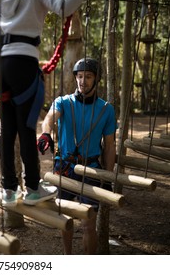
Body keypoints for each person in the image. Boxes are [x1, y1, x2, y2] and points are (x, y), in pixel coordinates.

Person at [0, 0, 87, 207]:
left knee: (7, 128)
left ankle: (8, 190)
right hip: (22, 60)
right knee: (26, 127)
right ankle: (32, 188)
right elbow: (63, 6)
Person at [39, 57, 117, 254]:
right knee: (65, 220)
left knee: (89, 225)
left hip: (92, 170)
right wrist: (46, 132)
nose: (83, 81)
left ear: (96, 79)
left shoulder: (106, 110)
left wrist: (108, 176)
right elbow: (49, 119)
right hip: (64, 168)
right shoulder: (63, 102)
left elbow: (109, 146)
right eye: (80, 76)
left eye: (88, 76)